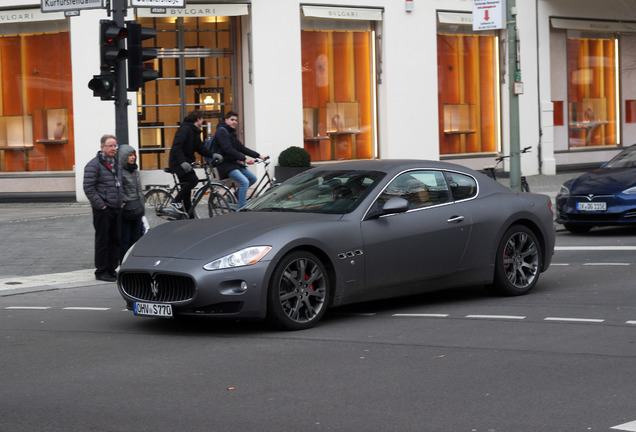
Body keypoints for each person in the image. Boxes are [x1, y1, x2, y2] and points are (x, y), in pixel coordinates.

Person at [83, 134, 124, 282]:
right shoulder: (93, 165)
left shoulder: (116, 163)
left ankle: (112, 269)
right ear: (102, 147)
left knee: (115, 240)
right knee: (103, 240)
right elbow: (88, 188)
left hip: (116, 207)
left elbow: (120, 184)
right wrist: (101, 205)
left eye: (115, 146)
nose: (113, 149)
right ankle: (101, 271)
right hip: (103, 209)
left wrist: (122, 200)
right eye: (110, 146)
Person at [168, 109, 220, 216]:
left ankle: (189, 218)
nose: (202, 122)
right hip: (178, 163)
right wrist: (183, 162)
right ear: (198, 119)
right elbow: (177, 147)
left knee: (187, 194)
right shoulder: (185, 130)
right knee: (193, 180)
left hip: (185, 163)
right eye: (202, 120)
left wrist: (212, 155)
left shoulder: (194, 132)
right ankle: (175, 201)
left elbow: (201, 149)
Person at [214, 111, 266, 208]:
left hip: (233, 163)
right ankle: (242, 208)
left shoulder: (231, 132)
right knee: (244, 182)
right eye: (232, 120)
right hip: (225, 164)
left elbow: (241, 148)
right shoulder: (222, 131)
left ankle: (236, 194)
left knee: (252, 178)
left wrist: (258, 155)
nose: (234, 122)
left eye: (236, 120)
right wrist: (244, 159)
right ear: (226, 120)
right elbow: (227, 149)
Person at [118, 145, 144, 261]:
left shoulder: (134, 169)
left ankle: (134, 260)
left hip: (137, 209)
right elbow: (119, 190)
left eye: (134, 155)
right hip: (126, 210)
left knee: (137, 237)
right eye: (130, 155)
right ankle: (124, 261)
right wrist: (124, 202)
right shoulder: (120, 171)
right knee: (125, 238)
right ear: (124, 157)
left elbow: (139, 190)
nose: (133, 157)